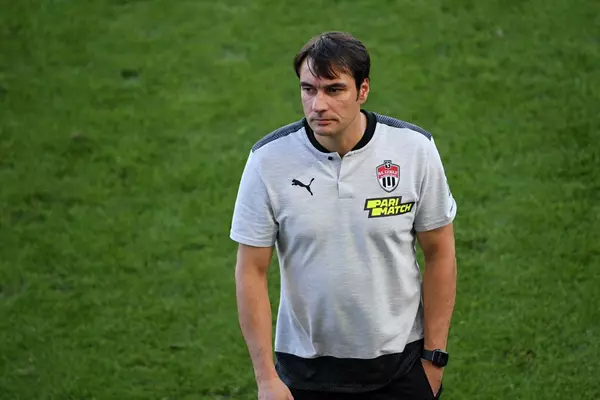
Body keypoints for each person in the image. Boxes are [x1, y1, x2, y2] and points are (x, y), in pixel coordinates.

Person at [230, 31, 457, 400]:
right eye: (308, 89)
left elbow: (440, 251)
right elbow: (251, 271)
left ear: (363, 90)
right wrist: (266, 379)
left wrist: (434, 359)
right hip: (304, 374)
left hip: (401, 370)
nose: (318, 104)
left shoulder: (414, 150)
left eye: (334, 90)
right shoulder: (267, 161)